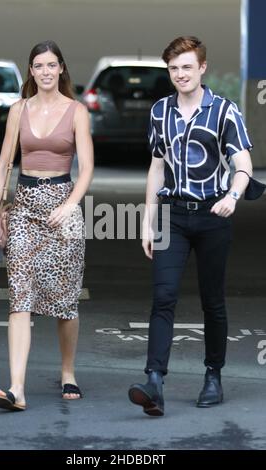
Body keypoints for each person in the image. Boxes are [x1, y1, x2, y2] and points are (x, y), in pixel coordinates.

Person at [128, 36, 253, 416]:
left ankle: (213, 375)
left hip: (213, 214)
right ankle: (154, 381)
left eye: (186, 67)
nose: (180, 74)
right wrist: (147, 222)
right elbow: (156, 167)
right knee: (163, 297)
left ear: (202, 68)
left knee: (212, 301)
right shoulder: (159, 112)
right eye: (173, 68)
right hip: (172, 215)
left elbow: (243, 163)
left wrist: (233, 195)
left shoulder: (224, 112)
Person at [0, 40, 94, 411]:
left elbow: (87, 167)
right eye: (38, 66)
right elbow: (2, 166)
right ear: (31, 71)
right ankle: (16, 388)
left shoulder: (76, 111)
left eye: (51, 65)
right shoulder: (18, 110)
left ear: (61, 69)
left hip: (63, 207)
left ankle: (68, 371)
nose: (45, 71)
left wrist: (70, 205)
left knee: (65, 302)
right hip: (25, 208)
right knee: (20, 297)